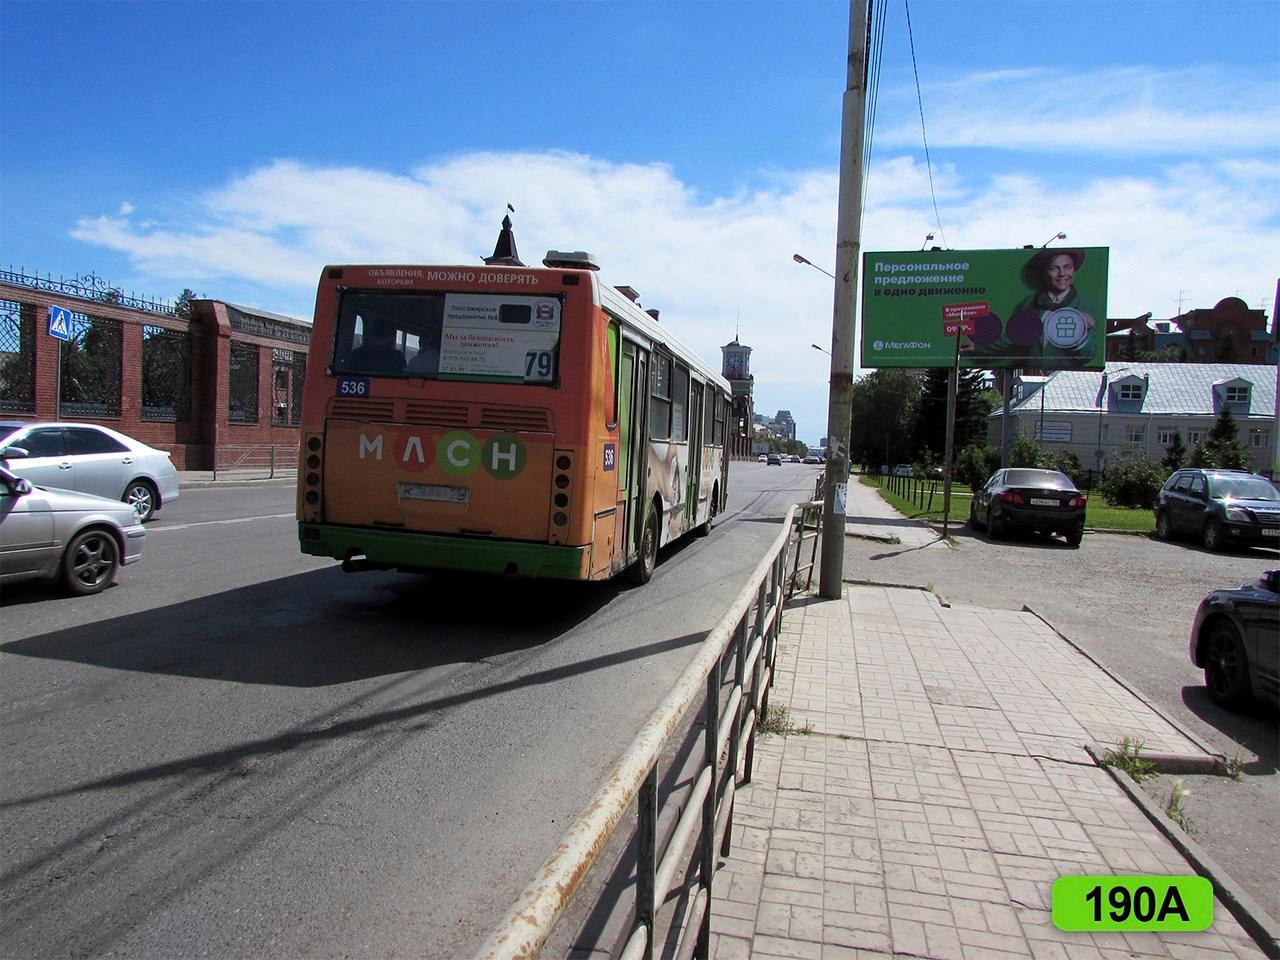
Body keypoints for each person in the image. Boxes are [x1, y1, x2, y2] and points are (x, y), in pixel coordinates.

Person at [967, 248, 1099, 367]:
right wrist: (976, 347)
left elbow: (1089, 355)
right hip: (1031, 375)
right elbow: (1011, 337)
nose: (1062, 273)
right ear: (1044, 273)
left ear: (1074, 270)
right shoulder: (1030, 303)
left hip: (1063, 379)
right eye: (1054, 268)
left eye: (1067, 267)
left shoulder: (1087, 305)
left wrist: (1081, 333)